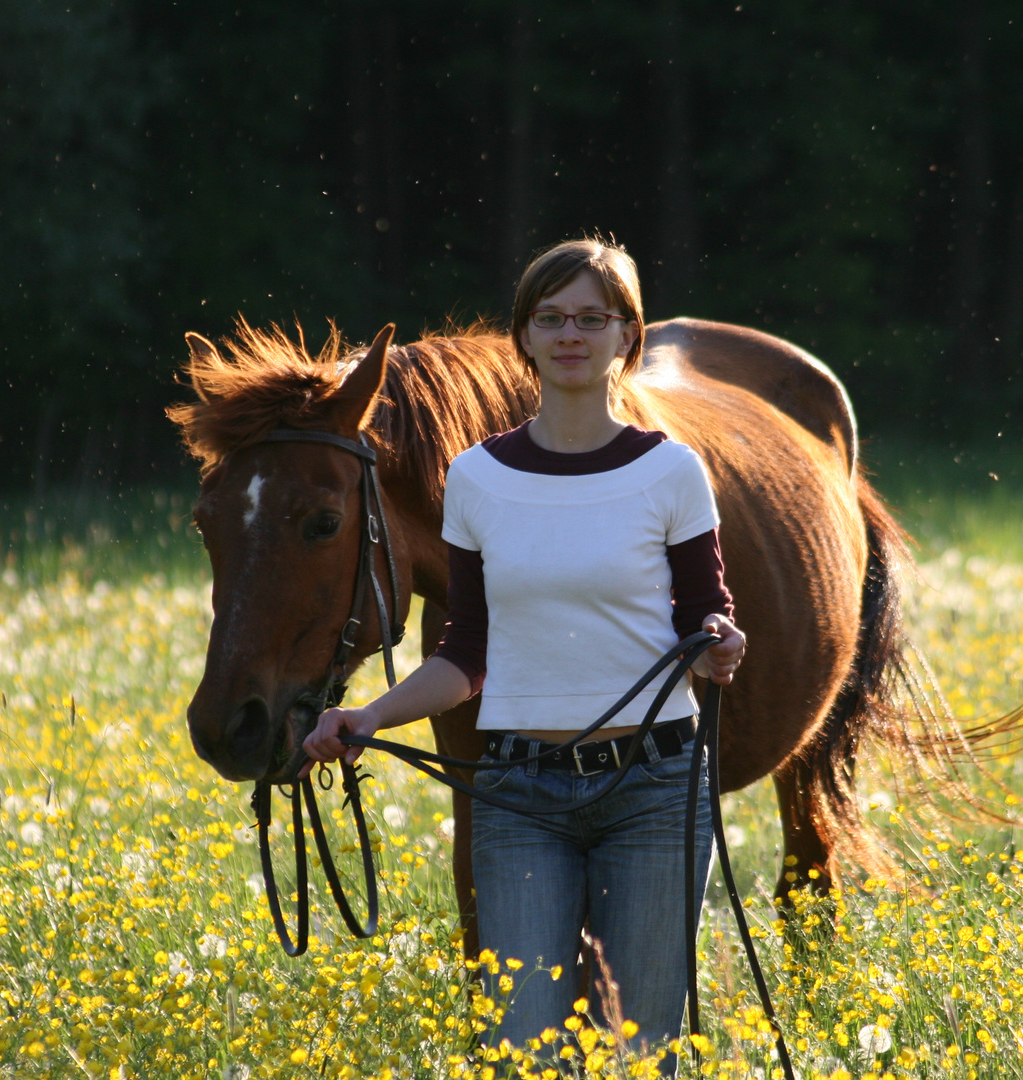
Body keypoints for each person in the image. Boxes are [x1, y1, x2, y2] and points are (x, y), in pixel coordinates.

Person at [302, 237, 746, 1072]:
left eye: (591, 318)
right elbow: (465, 654)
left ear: (627, 337)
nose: (570, 334)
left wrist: (720, 644)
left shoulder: (673, 473)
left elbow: (706, 615)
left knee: (639, 1054)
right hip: (518, 796)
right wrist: (366, 716)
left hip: (654, 790)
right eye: (550, 318)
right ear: (526, 337)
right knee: (520, 1055)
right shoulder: (476, 479)